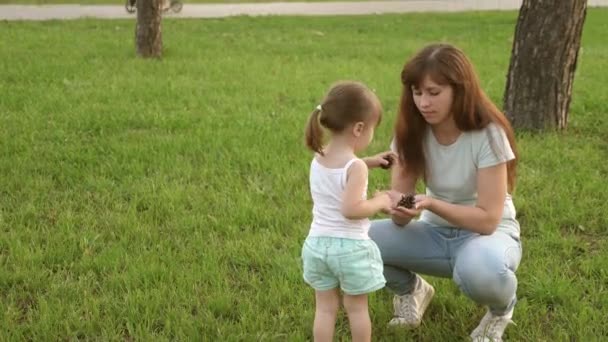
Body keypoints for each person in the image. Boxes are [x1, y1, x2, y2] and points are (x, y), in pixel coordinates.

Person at [368, 43, 522, 342]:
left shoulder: (488, 134)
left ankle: (501, 311)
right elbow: (402, 216)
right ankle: (412, 291)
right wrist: (397, 207)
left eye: (433, 92)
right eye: (416, 92)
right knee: (355, 241)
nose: (423, 102)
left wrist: (432, 204)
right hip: (435, 234)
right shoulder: (411, 132)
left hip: (487, 237)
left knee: (481, 270)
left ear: (459, 90)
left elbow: (488, 220)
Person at [302, 81, 395, 342]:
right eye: (372, 130)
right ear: (359, 128)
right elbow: (352, 209)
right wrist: (381, 201)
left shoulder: (319, 157)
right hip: (350, 249)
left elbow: (340, 171)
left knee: (325, 308)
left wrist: (370, 161)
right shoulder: (355, 168)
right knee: (356, 308)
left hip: (317, 246)